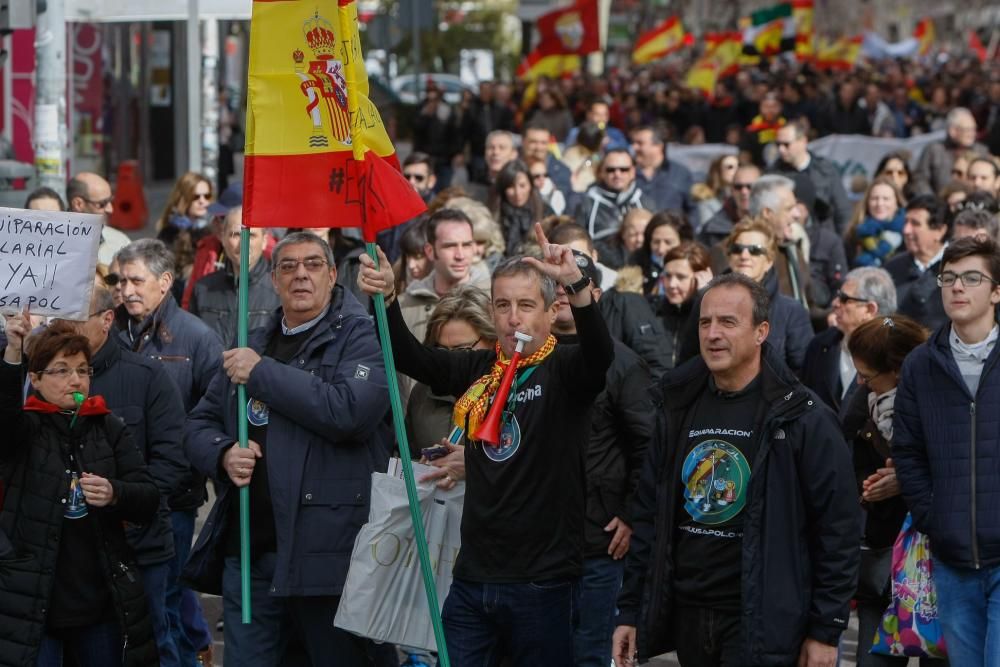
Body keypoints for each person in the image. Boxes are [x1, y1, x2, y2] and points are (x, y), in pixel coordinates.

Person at [356, 224, 615, 666]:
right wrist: (388, 298)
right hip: (474, 576)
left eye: (526, 305)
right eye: (503, 306)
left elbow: (600, 355)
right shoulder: (480, 367)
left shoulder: (566, 368)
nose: (514, 317)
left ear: (552, 312)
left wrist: (576, 285)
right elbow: (412, 357)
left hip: (543, 580)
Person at [612, 272, 859, 667]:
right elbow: (650, 516)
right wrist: (630, 611)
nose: (712, 334)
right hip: (690, 613)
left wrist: (825, 630)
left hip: (762, 619)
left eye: (728, 322)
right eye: (705, 322)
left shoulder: (802, 416)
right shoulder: (676, 407)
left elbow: (838, 530)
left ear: (762, 331)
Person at [184, 231, 391, 665]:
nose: (301, 275)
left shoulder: (363, 337)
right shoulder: (251, 340)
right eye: (289, 267)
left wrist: (261, 375)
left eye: (313, 265)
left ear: (334, 275)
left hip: (328, 559)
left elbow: (348, 412)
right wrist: (222, 454)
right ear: (273, 280)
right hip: (252, 553)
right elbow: (199, 424)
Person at [0, 316, 160, 666]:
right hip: (33, 605)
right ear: (36, 379)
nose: (75, 379)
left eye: (83, 370)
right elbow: (4, 419)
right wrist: (13, 351)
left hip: (98, 606)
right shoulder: (26, 429)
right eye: (61, 370)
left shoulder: (109, 427)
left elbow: (148, 499)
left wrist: (115, 493)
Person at [53, 278, 190, 667]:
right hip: (73, 560)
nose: (63, 330)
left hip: (138, 550)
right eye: (57, 319)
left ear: (106, 319)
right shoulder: (44, 381)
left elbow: (171, 464)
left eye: (74, 319)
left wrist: (126, 504)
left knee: (150, 648)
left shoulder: (147, 377)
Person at [112, 238, 222, 665]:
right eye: (121, 280)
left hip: (172, 499)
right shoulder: (110, 329)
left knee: (168, 608)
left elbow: (212, 415)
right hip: (119, 492)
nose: (126, 289)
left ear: (164, 281)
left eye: (136, 279)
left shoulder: (197, 339)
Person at [892, 235, 1000, 667]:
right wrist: (932, 516)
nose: (957, 287)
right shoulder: (922, 362)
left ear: (996, 291)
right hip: (951, 555)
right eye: (949, 277)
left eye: (971, 278)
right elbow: (908, 451)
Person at [545, 253, 653, 667]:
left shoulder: (623, 364)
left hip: (599, 540)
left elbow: (649, 446)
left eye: (571, 285)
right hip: (538, 541)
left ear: (595, 293)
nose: (561, 294)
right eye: (552, 285)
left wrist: (630, 514)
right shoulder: (527, 358)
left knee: (590, 653)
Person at [842, 315, 932, 667]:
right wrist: (867, 489)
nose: (861, 382)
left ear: (897, 370)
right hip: (879, 558)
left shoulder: (936, 404)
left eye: (867, 376)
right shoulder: (865, 403)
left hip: (931, 565)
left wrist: (905, 478)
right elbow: (845, 458)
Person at [679, 218, 813, 373]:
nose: (744, 255)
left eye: (755, 250)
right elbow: (687, 364)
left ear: (769, 261)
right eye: (737, 249)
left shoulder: (791, 311)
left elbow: (804, 373)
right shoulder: (706, 301)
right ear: (729, 257)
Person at [405, 286, 497, 456]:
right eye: (440, 350)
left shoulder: (511, 390)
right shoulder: (421, 392)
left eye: (461, 350)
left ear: (492, 341)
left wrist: (472, 464)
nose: (450, 360)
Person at [801, 267, 897, 413]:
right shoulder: (821, 345)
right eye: (838, 296)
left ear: (870, 309)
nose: (835, 303)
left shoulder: (894, 356)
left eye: (844, 299)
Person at [189, 206, 281, 346]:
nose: (243, 242)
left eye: (251, 235)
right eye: (236, 235)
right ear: (223, 238)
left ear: (264, 241)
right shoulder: (203, 289)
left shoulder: (281, 289)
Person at [398, 208, 490, 343]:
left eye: (466, 245)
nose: (460, 255)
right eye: (450, 246)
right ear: (430, 251)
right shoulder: (404, 305)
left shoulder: (494, 300)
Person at [770, 121, 853, 233]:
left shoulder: (825, 169)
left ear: (803, 141)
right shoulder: (773, 174)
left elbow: (842, 210)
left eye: (786, 144)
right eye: (778, 144)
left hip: (823, 237)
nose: (781, 149)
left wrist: (842, 243)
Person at [884, 194, 950, 331]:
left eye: (915, 223)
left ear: (939, 230)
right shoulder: (892, 268)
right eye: (906, 222)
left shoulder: (959, 266)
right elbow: (883, 319)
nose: (906, 230)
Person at [575, 149, 655, 253]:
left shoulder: (646, 203)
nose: (617, 174)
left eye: (624, 169)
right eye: (610, 170)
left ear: (633, 172)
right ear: (601, 172)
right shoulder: (586, 204)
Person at [155, 172, 215, 304]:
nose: (202, 201)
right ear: (183, 198)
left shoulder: (216, 230)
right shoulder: (169, 233)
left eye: (207, 196)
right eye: (195, 196)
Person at [652, 242, 713, 369]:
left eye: (681, 277)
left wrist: (705, 294)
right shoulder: (651, 309)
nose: (671, 284)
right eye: (667, 276)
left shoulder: (709, 316)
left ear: (700, 278)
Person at [913, 107, 989, 196]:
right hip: (939, 201)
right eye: (967, 129)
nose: (972, 134)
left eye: (974, 129)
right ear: (953, 131)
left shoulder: (981, 151)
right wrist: (931, 201)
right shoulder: (934, 150)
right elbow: (920, 179)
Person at [67, 172, 132, 268]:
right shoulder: (51, 245)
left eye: (111, 201)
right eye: (102, 204)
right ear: (78, 204)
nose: (110, 209)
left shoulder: (121, 243)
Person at [491, 159, 552, 257]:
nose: (517, 193)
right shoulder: (494, 213)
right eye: (511, 187)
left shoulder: (546, 212)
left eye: (522, 186)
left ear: (530, 185)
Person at [631, 124, 694, 215]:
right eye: (634, 143)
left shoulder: (680, 174)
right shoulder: (626, 173)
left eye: (640, 143)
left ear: (658, 146)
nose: (634, 147)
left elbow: (693, 210)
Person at [845, 177, 907, 267]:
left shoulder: (908, 233)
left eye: (886, 199)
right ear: (867, 202)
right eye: (874, 198)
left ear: (897, 203)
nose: (880, 203)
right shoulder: (855, 233)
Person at [633, 211, 695, 298]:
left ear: (684, 243)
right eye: (656, 242)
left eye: (668, 242)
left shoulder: (696, 270)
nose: (661, 249)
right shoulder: (635, 266)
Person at [698, 164, 761, 249]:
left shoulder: (776, 224)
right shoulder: (711, 229)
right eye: (738, 187)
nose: (744, 192)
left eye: (750, 186)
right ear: (732, 190)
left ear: (762, 189)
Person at [522, 123, 573, 199]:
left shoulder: (562, 172)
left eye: (543, 143)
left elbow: (561, 202)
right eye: (533, 142)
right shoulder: (512, 167)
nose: (538, 147)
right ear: (523, 142)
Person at [690, 154, 738, 229]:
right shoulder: (705, 198)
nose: (736, 170)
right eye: (730, 167)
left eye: (739, 166)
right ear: (718, 171)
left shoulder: (745, 195)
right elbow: (707, 228)